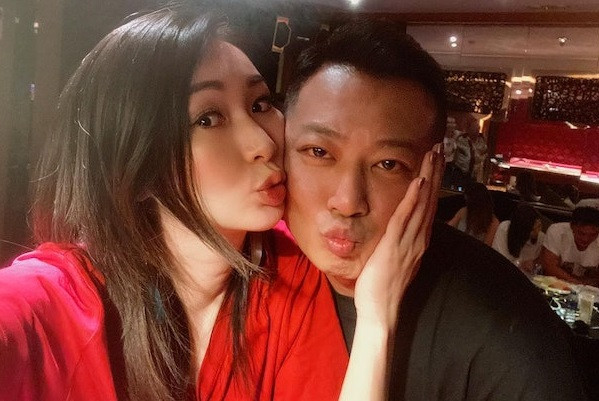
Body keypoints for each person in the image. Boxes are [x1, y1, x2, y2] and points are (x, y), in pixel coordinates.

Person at [0, 7, 437, 401]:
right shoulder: (49, 304)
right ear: (136, 166)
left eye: (260, 104)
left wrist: (376, 318)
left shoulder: (290, 272)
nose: (264, 142)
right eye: (208, 119)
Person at [280, 18, 588, 400]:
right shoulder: (255, 270)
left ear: (433, 172)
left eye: (388, 164)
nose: (347, 202)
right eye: (319, 152)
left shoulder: (504, 327)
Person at [540, 205, 599, 286]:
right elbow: (549, 266)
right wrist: (577, 284)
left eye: (593, 235)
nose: (586, 239)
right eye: (581, 233)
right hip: (554, 284)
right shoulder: (557, 231)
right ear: (572, 227)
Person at [492, 203, 544, 274]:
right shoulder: (504, 229)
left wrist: (534, 264)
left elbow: (538, 265)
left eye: (539, 226)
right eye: (532, 229)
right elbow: (498, 259)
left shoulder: (541, 237)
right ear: (522, 229)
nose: (538, 231)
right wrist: (520, 264)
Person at [447, 182, 500, 246]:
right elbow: (448, 229)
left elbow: (486, 247)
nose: (466, 201)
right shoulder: (463, 211)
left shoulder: (493, 222)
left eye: (467, 199)